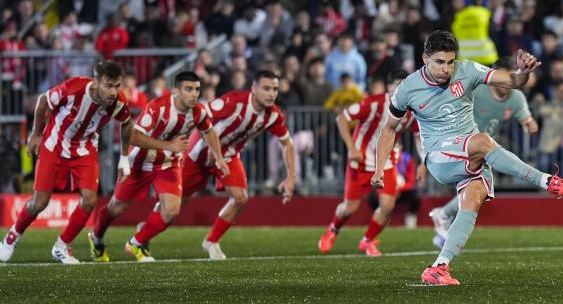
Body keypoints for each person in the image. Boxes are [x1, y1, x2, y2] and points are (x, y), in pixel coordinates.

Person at [371, 31, 563, 285]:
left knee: (474, 199)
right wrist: (379, 169)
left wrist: (522, 73)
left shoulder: (467, 69)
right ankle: (548, 182)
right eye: (439, 62)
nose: (446, 69)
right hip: (439, 155)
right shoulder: (407, 89)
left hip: (469, 153)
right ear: (425, 58)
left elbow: (511, 81)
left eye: (450, 61)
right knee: (482, 141)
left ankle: (439, 267)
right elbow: (389, 128)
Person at [88, 72, 229, 262]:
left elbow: (209, 130)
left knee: (171, 210)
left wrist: (219, 157)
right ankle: (96, 237)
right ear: (176, 91)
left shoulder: (198, 111)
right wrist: (169, 146)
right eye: (188, 89)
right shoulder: (158, 107)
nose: (194, 94)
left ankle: (137, 242)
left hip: (168, 164)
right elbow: (133, 136)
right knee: (117, 207)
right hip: (139, 162)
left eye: (196, 89)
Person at [0, 61, 131, 264]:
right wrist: (35, 134)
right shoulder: (75, 88)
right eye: (108, 85)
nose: (113, 92)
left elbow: (126, 123)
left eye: (117, 86)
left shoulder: (119, 103)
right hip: (54, 145)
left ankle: (61, 246)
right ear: (96, 83)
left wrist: (124, 158)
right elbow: (43, 100)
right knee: (39, 203)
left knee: (89, 200)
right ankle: (12, 236)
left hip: (84, 149)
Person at [181, 69, 296, 260]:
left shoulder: (273, 115)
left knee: (240, 197)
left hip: (229, 155)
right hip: (201, 150)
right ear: (254, 88)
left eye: (274, 89)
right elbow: (200, 115)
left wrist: (291, 177)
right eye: (266, 88)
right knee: (176, 204)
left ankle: (211, 241)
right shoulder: (234, 101)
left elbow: (288, 144)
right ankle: (145, 233)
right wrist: (210, 146)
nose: (271, 94)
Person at [428, 57, 539, 248]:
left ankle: (443, 225)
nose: (505, 81)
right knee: (475, 188)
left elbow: (527, 120)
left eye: (509, 76)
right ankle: (444, 216)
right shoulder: (479, 89)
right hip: (459, 142)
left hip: (483, 149)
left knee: (479, 190)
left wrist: (530, 125)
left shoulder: (517, 98)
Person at [318, 70, 418, 256]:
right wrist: (351, 148)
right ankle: (333, 229)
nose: (400, 90)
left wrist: (423, 163)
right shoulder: (374, 104)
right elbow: (342, 118)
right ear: (388, 87)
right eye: (396, 85)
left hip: (387, 163)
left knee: (388, 206)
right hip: (361, 162)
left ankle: (367, 241)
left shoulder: (411, 111)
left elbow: (419, 136)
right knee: (350, 208)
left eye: (404, 86)